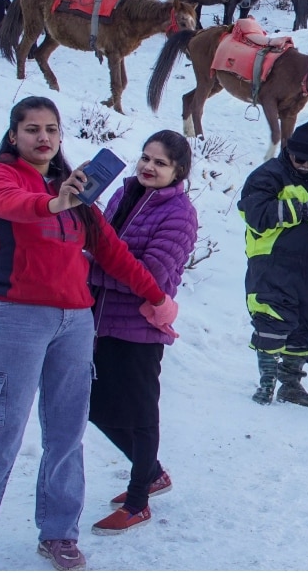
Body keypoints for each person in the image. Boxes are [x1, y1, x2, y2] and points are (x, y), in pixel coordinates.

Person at [0, 97, 178, 573]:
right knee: (3, 430)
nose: (43, 138)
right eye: (32, 129)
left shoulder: (76, 188)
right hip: (17, 317)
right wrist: (56, 201)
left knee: (66, 432)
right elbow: (13, 206)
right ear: (14, 135)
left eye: (51, 130)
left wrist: (157, 297)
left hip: (75, 322)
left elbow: (112, 252)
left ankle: (58, 533)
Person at [87, 131, 198, 536]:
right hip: (100, 320)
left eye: (161, 162)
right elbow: (104, 244)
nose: (148, 167)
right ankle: (151, 472)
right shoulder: (123, 193)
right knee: (92, 406)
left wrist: (87, 268)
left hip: (140, 327)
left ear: (178, 171)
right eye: (146, 158)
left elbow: (152, 276)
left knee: (141, 415)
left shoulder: (180, 213)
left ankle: (138, 502)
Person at [238, 116, 308, 409]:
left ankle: (291, 385)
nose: (305, 166)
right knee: (272, 320)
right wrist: (304, 209)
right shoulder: (268, 175)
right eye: (299, 160)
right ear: (288, 152)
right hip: (273, 264)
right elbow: (254, 212)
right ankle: (266, 385)